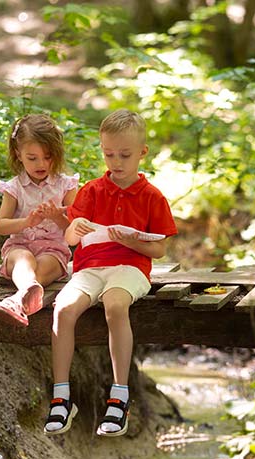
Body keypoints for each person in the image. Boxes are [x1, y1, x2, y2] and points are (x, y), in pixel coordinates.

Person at [43, 109, 177, 436]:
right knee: (62, 309)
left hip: (130, 269)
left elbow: (159, 250)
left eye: (124, 155)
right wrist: (76, 225)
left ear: (142, 153)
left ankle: (119, 398)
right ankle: (61, 397)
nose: (115, 161)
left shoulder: (152, 197)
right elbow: (71, 239)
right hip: (89, 267)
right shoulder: (91, 191)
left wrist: (132, 240)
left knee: (115, 305)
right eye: (108, 154)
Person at [0, 114, 79, 327]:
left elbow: (75, 233)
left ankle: (16, 301)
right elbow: (1, 226)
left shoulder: (66, 185)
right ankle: (25, 294)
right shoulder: (14, 188)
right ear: (18, 154)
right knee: (23, 258)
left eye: (48, 157)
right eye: (32, 158)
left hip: (53, 252)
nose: (41, 164)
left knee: (45, 264)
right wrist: (26, 222)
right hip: (19, 248)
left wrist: (58, 217)